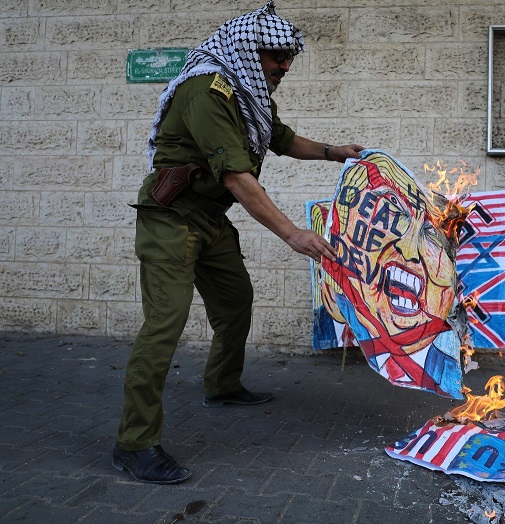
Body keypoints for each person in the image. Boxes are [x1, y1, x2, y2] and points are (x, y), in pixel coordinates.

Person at [112, 2, 364, 485]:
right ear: (248, 50)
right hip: (172, 219)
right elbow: (236, 177)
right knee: (164, 325)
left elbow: (281, 138)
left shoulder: (250, 93)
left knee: (235, 301)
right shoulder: (207, 90)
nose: (284, 66)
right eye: (276, 56)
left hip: (209, 218)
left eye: (289, 58)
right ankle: (134, 443)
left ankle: (222, 385)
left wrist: (336, 153)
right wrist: (292, 232)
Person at [320, 150, 463, 400]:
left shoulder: (444, 365)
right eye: (391, 215)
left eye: (430, 233)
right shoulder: (345, 300)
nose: (409, 251)